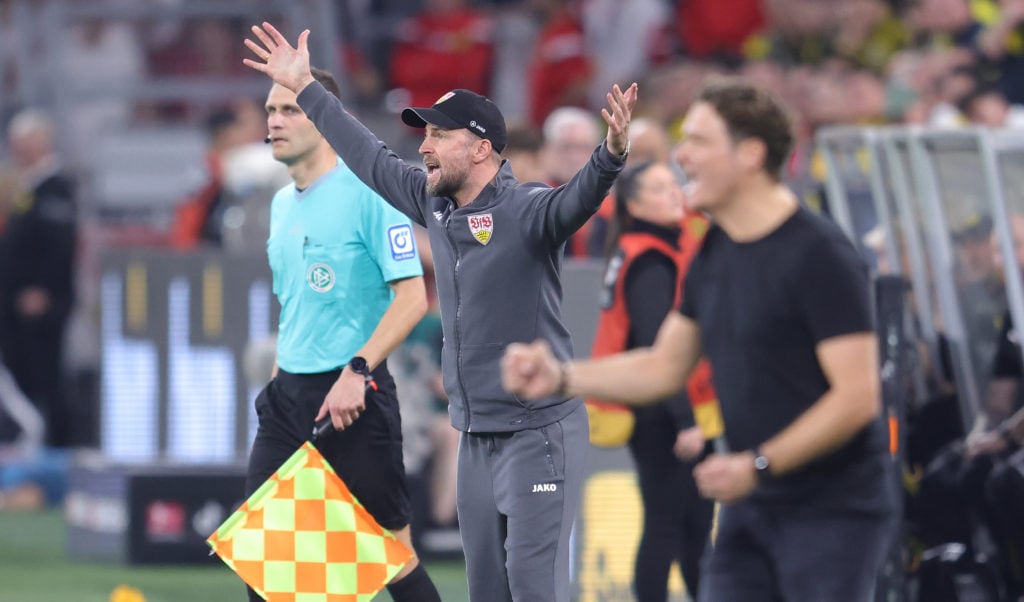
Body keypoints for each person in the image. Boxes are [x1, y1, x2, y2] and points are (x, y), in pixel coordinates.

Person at [243, 22, 636, 602]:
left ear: (480, 148)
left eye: (438, 135)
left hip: (538, 431)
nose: (423, 146)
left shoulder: (528, 211)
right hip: (474, 435)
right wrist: (305, 88)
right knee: (486, 592)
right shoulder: (434, 205)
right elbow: (364, 154)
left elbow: (576, 200)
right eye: (423, 134)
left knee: (532, 589)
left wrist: (611, 155)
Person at [503, 77, 895, 602]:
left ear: (752, 153)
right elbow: (664, 365)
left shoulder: (822, 255)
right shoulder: (714, 251)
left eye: (699, 141)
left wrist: (759, 465)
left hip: (831, 511)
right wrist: (561, 375)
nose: (681, 155)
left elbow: (856, 397)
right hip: (752, 505)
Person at [243, 66, 440, 602]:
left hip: (355, 395)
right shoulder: (281, 205)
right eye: (270, 111)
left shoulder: (370, 194)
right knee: (264, 561)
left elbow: (412, 297)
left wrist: (357, 371)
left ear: (324, 121)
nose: (275, 121)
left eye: (290, 110)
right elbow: (296, 307)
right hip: (290, 399)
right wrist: (280, 384)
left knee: (390, 556)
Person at [589, 160, 714, 601]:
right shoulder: (651, 259)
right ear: (636, 204)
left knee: (691, 525)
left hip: (658, 407)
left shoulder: (643, 249)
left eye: (674, 184)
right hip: (664, 412)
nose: (674, 193)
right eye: (660, 188)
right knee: (668, 524)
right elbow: (659, 350)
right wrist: (685, 421)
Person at [0, 108, 77, 448]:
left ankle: (55, 450)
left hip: (41, 304)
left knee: (45, 378)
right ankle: (30, 448)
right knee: (21, 379)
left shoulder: (55, 188)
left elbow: (59, 246)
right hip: (16, 303)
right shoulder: (27, 188)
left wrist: (44, 290)